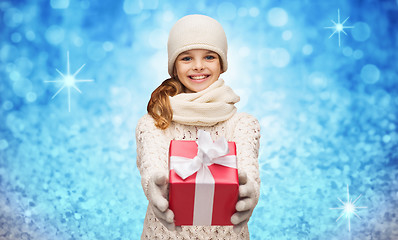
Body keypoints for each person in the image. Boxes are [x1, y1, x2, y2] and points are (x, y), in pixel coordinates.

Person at [136, 14, 261, 239]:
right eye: (186, 58)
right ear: (174, 66)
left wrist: (250, 191)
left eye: (209, 56)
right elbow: (151, 164)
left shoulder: (243, 124)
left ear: (222, 64)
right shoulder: (154, 123)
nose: (198, 66)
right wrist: (154, 185)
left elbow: (248, 170)